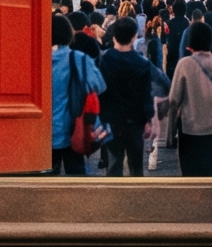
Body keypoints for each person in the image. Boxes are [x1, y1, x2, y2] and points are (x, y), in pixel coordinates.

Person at [163, 22, 212, 179]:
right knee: (211, 176)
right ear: (211, 40)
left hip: (189, 130)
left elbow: (173, 100)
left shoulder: (184, 65)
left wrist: (170, 135)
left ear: (191, 41)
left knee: (190, 178)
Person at [95, 17, 164, 179]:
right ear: (134, 37)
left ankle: (114, 194)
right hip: (135, 122)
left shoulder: (103, 60)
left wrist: (99, 119)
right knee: (136, 166)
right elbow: (147, 93)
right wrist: (149, 119)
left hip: (111, 121)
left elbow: (98, 92)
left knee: (114, 165)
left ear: (113, 37)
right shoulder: (142, 63)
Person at [49, 14, 105, 177]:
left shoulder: (35, 59)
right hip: (73, 129)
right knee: (76, 176)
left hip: (41, 133)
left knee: (45, 182)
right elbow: (99, 85)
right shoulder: (78, 59)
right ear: (69, 34)